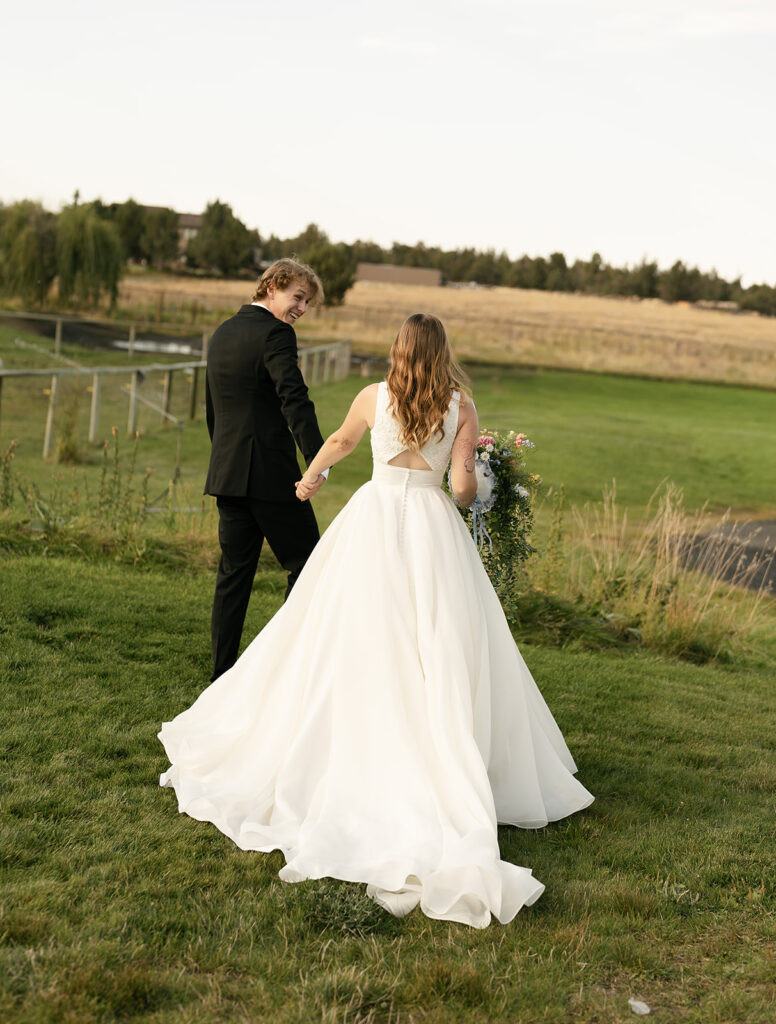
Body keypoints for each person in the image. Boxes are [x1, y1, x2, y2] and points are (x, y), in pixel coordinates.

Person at [160, 313, 593, 928]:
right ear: (442, 352)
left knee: (346, 632)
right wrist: (481, 478)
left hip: (373, 517)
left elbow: (336, 442)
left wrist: (311, 480)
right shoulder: (461, 405)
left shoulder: (373, 396)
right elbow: (463, 489)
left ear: (398, 349)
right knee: (439, 641)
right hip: (433, 528)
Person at [204, 258, 327, 682]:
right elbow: (295, 398)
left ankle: (222, 674)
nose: (302, 308)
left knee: (234, 575)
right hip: (271, 476)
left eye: (307, 302)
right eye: (298, 297)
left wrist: (224, 458)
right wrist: (318, 460)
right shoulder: (277, 333)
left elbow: (213, 411)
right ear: (272, 286)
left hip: (227, 472)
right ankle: (284, 668)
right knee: (310, 564)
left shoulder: (222, 332)